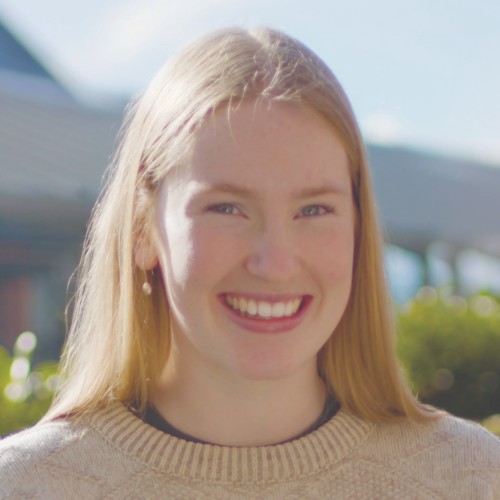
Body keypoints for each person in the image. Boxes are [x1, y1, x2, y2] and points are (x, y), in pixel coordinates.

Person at [1, 26, 499, 499]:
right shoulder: (24, 487)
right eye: (227, 208)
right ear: (141, 231)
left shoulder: (471, 478)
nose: (275, 263)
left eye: (313, 209)